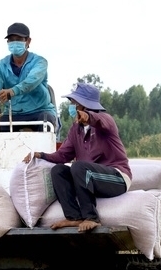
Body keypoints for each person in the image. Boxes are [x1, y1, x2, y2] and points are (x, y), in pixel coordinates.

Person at [22, 83, 132, 232]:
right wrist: (40, 155)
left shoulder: (106, 120)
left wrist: (89, 117)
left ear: (85, 106)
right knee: (58, 171)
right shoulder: (76, 129)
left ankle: (92, 218)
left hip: (116, 178)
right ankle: (73, 217)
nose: (72, 106)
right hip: (90, 177)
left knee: (79, 166)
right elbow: (62, 155)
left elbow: (99, 120)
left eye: (75, 103)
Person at [0, 23, 57, 132]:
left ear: (28, 41)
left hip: (40, 111)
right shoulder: (0, 66)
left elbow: (31, 81)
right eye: (11, 40)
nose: (14, 42)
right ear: (7, 42)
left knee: (45, 125)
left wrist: (12, 91)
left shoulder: (40, 62)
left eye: (19, 39)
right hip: (13, 114)